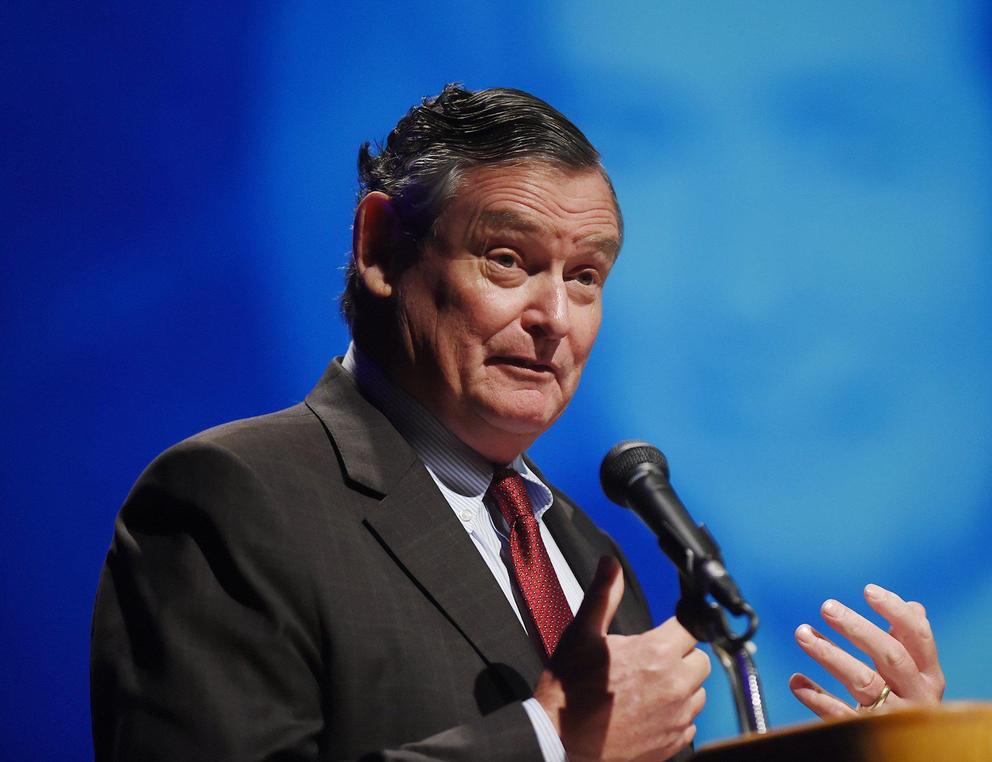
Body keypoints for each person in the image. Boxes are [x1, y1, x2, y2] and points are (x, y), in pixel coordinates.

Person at [91, 84, 944, 760]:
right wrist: (547, 745)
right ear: (382, 248)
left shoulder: (588, 557)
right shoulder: (235, 500)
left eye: (585, 277)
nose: (554, 318)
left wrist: (882, 756)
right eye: (509, 259)